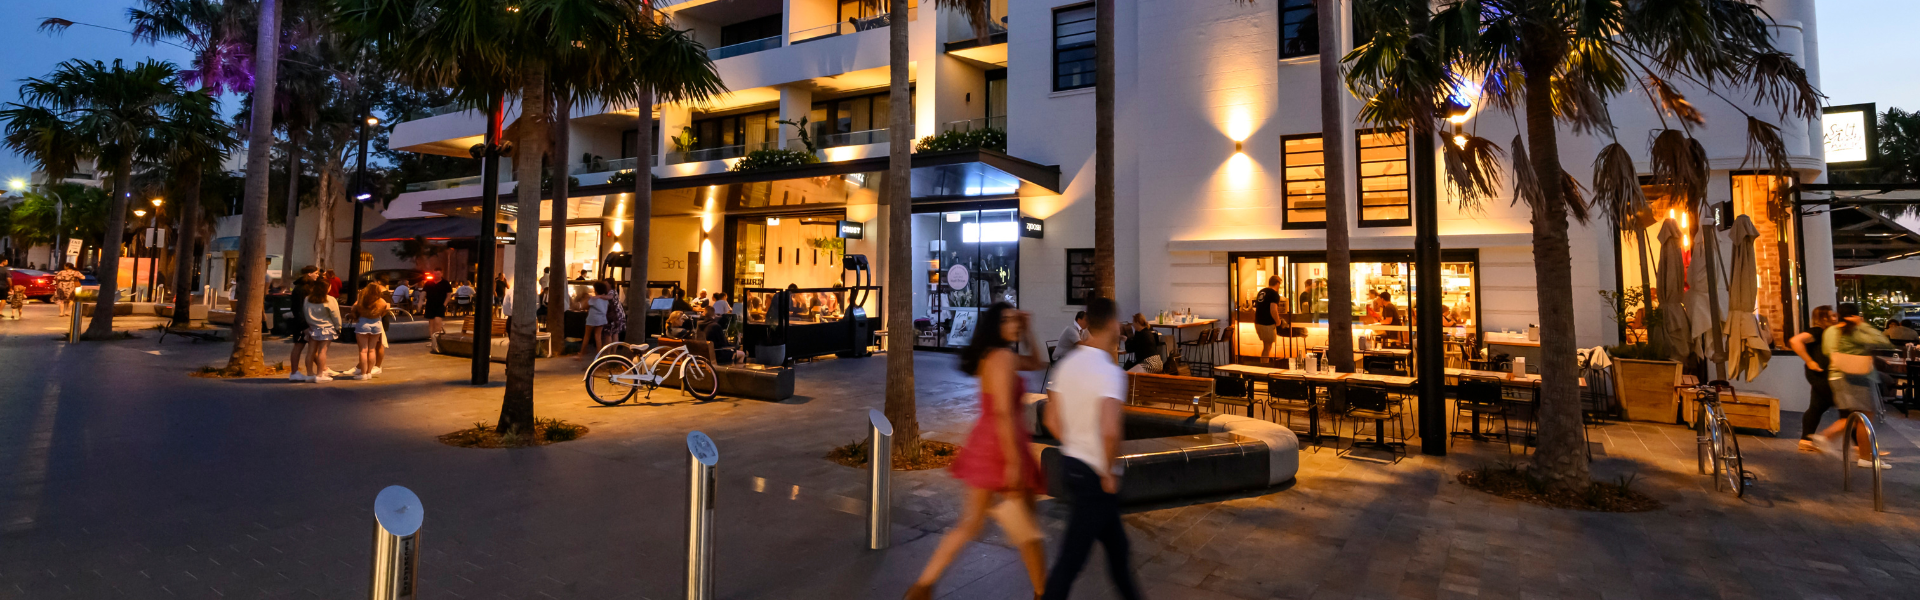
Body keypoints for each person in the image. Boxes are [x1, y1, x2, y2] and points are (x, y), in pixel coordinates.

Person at [906, 302, 1048, 600]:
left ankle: (922, 588)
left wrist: (1028, 329)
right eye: (1007, 320)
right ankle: (1042, 592)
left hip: (986, 443)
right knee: (1025, 530)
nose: (1013, 324)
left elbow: (1036, 362)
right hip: (1001, 445)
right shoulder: (1003, 358)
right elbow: (1003, 412)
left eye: (1014, 320)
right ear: (995, 326)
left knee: (972, 525)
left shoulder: (994, 356)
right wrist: (1012, 461)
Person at [1041, 297, 1142, 600]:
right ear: (1112, 325)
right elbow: (1110, 430)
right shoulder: (1109, 371)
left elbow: (1050, 417)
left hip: (1072, 465)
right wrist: (1108, 470)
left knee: (1118, 551)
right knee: (1072, 561)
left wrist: (1074, 443)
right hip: (1096, 475)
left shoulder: (1068, 363)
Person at [1811, 303, 1896, 469]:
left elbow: (1827, 350)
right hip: (1858, 378)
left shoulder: (1830, 331)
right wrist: (1861, 324)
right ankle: (1864, 456)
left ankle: (1827, 438)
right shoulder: (1854, 331)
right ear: (1855, 315)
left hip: (1836, 376)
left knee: (1855, 416)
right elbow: (1883, 341)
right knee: (1865, 419)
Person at [1790, 305, 1839, 452]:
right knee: (1848, 408)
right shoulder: (1818, 331)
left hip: (1821, 374)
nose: (1836, 318)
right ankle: (1860, 446)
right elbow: (1795, 341)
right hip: (1821, 374)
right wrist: (1810, 361)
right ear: (1824, 318)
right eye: (1832, 316)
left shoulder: (1827, 333)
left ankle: (1806, 440)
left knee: (1817, 407)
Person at [303, 282, 342, 382]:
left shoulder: (307, 299)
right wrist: (338, 327)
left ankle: (309, 374)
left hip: (312, 327)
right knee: (322, 351)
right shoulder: (330, 299)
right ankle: (320, 374)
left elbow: (305, 312)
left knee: (310, 352)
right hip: (326, 328)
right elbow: (335, 315)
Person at [286, 267, 320, 382]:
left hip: (306, 321)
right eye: (316, 273)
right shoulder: (301, 289)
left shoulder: (304, 287)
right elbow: (298, 309)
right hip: (302, 322)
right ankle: (294, 372)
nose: (317, 275)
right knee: (299, 346)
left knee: (312, 346)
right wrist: (304, 325)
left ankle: (322, 368)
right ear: (309, 274)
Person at [351, 282, 389, 380]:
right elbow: (385, 311)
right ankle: (369, 372)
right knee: (372, 350)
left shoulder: (362, 300)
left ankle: (363, 374)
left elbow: (353, 308)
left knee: (363, 351)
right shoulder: (382, 301)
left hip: (363, 324)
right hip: (376, 324)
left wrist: (356, 316)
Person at [1252, 275, 1284, 364]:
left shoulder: (1261, 292)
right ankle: (1264, 368)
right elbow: (1273, 310)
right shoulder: (1274, 294)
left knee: (1266, 346)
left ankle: (1263, 365)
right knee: (1267, 347)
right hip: (1267, 323)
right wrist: (1278, 322)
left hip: (1258, 322)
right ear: (1277, 283)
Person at [578, 281, 612, 360]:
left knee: (587, 335)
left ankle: (581, 353)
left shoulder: (594, 299)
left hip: (592, 318)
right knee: (598, 336)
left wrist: (587, 298)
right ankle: (598, 356)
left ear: (596, 290)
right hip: (602, 318)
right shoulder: (605, 299)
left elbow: (585, 306)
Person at [423, 272, 453, 336]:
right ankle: (432, 339)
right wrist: (420, 301)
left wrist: (444, 305)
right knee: (431, 323)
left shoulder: (445, 283)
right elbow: (423, 292)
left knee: (437, 322)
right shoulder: (429, 283)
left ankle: (436, 339)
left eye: (438, 274)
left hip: (440, 304)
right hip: (430, 304)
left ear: (442, 274)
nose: (436, 275)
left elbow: (448, 295)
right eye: (435, 274)